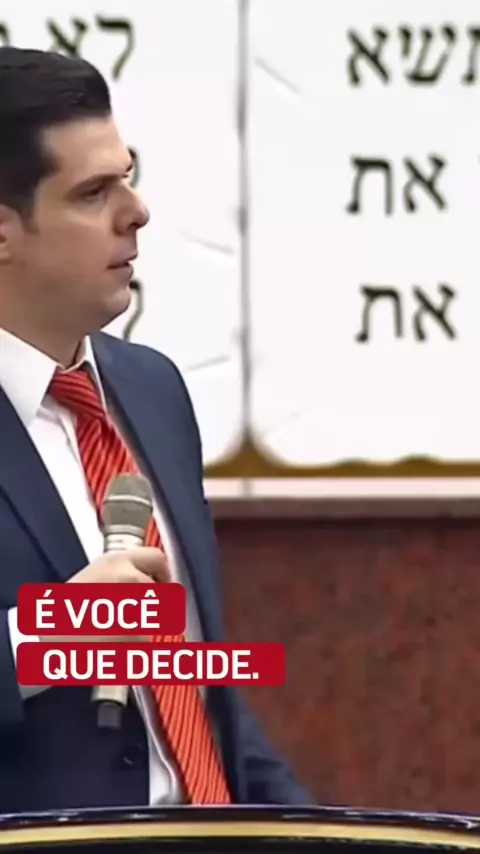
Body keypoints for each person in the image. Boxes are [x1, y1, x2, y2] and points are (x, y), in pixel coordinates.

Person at [0, 46, 314, 812]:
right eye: (93, 193)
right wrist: (44, 637)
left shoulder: (153, 390)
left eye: (128, 176)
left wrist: (310, 829)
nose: (136, 213)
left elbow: (199, 691)